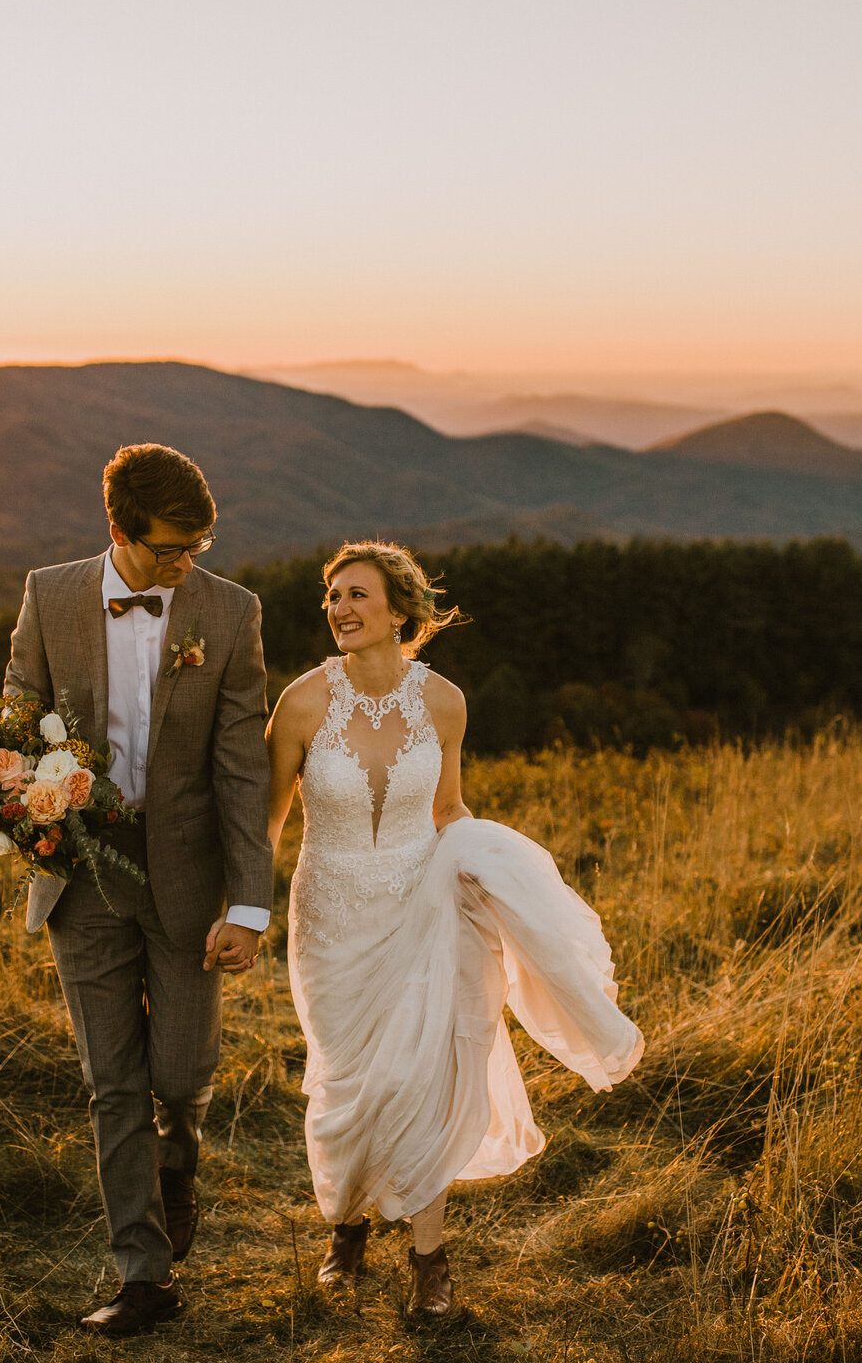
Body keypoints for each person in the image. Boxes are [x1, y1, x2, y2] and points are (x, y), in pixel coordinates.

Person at [265, 542, 643, 1316]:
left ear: (399, 612)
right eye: (332, 597)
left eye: (355, 595)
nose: (338, 608)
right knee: (345, 1080)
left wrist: (479, 865)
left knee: (422, 1073)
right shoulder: (300, 704)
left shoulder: (444, 703)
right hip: (329, 920)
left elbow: (448, 810)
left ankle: (429, 1260)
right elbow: (265, 825)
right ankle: (345, 1226)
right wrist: (236, 909)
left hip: (422, 904)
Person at [4, 444, 274, 1338]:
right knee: (112, 1081)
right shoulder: (50, 594)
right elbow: (17, 712)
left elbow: (240, 767)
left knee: (180, 1071)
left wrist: (247, 901)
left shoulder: (231, 614)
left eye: (198, 544)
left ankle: (178, 1161)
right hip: (82, 875)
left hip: (190, 877)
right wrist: (16, 795)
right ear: (117, 530)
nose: (185, 562)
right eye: (168, 548)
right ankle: (143, 1274)